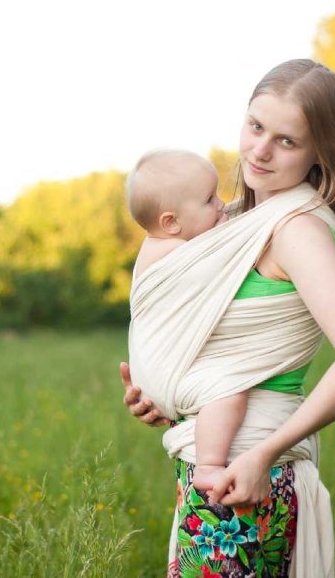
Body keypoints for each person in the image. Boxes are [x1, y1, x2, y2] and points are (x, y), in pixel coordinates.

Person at [121, 59, 335, 578]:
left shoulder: (294, 230)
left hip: (245, 475)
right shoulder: (238, 226)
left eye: (287, 141)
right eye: (255, 126)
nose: (260, 150)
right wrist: (167, 393)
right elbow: (220, 351)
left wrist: (266, 453)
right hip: (218, 469)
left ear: (321, 152)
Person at [126, 149, 244, 493]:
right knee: (228, 392)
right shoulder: (175, 252)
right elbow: (227, 255)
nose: (222, 205)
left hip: (150, 374)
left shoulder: (162, 244)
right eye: (209, 200)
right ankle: (209, 465)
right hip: (164, 374)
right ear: (171, 222)